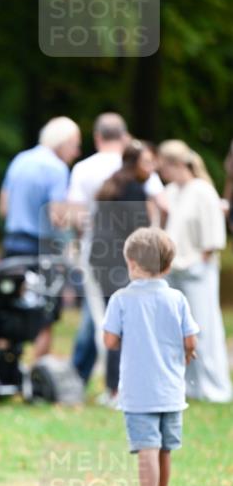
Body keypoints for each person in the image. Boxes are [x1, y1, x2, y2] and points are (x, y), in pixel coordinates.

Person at [103, 227, 199, 486]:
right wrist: (185, 354)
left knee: (147, 449)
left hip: (139, 392)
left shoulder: (121, 299)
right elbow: (191, 341)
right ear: (168, 267)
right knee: (164, 449)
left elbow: (109, 340)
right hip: (171, 391)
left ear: (131, 263)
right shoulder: (177, 298)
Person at [67, 113, 164, 388]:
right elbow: (161, 203)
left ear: (97, 137)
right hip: (127, 255)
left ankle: (84, 377)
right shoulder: (137, 174)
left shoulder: (85, 169)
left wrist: (82, 241)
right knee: (116, 318)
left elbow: (76, 215)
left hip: (96, 251)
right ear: (124, 137)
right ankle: (112, 382)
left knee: (100, 315)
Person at [0, 116, 81, 358]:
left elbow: (4, 208)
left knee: (10, 305)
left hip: (12, 245)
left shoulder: (20, 160)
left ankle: (4, 365)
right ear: (62, 142)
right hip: (40, 250)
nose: (76, 152)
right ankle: (38, 370)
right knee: (46, 312)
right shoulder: (57, 169)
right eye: (74, 145)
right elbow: (57, 217)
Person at [158, 140, 231, 403]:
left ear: (176, 164)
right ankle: (188, 386)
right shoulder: (171, 192)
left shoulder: (202, 191)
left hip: (198, 270)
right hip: (174, 270)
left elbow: (213, 236)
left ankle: (214, 388)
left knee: (203, 327)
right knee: (178, 331)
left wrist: (198, 262)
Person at [89, 140, 157, 399]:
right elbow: (138, 233)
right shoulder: (133, 189)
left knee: (114, 321)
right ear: (134, 163)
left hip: (101, 261)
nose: (152, 167)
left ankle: (112, 387)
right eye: (148, 162)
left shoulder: (113, 183)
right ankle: (119, 388)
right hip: (119, 263)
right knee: (126, 324)